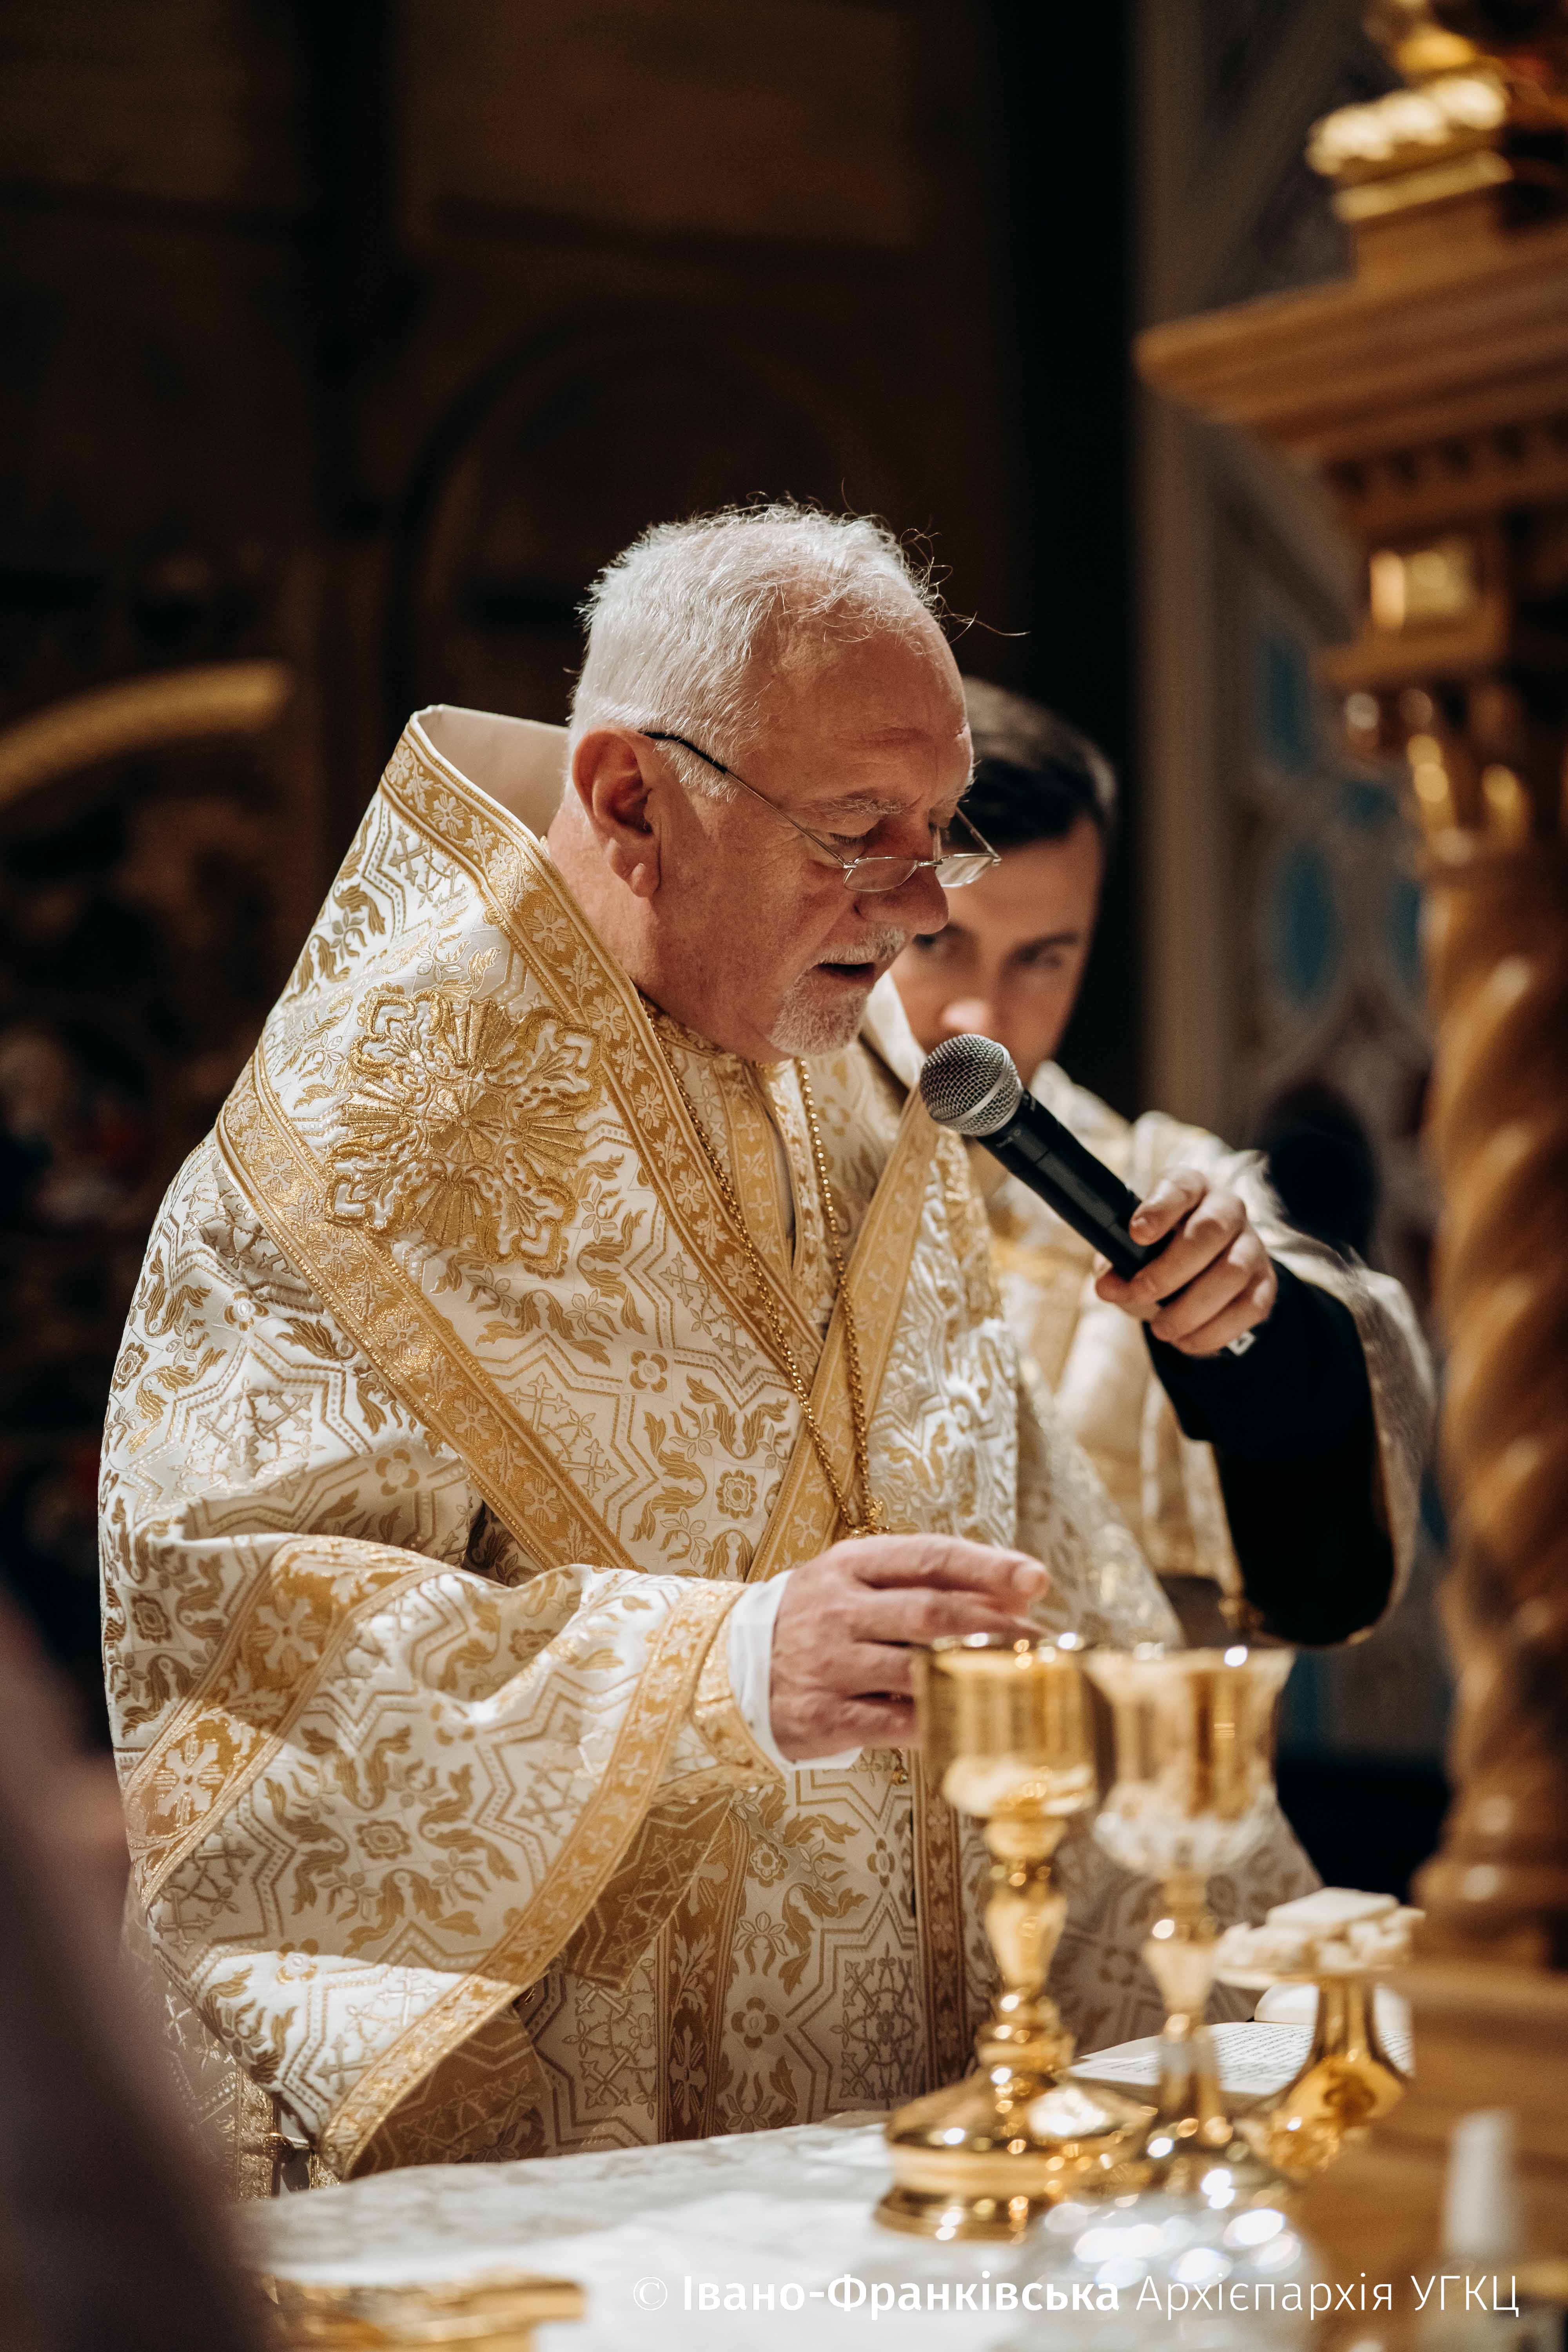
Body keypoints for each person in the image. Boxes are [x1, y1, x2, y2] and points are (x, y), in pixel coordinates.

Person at [103, 507, 1205, 2186]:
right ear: (631, 801)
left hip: (890, 2146)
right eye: (858, 832)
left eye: (942, 831)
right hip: (547, 2175)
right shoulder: (358, 1149)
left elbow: (1013, 1493)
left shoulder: (846, 1057)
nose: (922, 909)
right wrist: (724, 1671)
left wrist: (1207, 1893)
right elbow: (240, 1675)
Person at [893, 679, 1433, 1654]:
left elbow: (1324, 1524)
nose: (982, 1016)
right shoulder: (759, 1145)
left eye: (1041, 959)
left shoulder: (1155, 1174)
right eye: (939, 944)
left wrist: (1254, 1320)